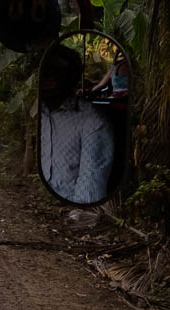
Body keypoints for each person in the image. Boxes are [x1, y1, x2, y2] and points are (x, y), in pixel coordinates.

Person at [37, 44, 115, 205]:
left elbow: (89, 189)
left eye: (58, 71)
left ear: (72, 78)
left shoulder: (92, 121)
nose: (50, 77)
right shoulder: (40, 113)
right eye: (47, 69)